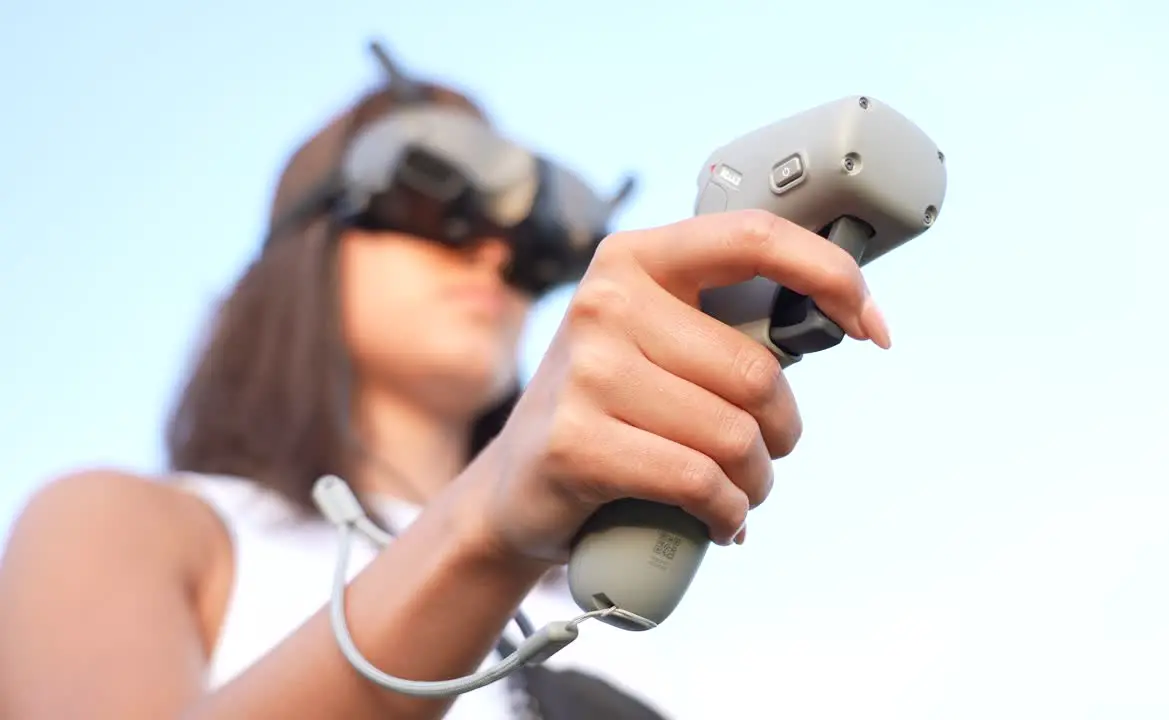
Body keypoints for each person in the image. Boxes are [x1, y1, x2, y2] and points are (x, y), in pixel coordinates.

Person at [0, 70, 891, 720]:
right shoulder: (137, 525)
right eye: (439, 206)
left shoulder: (593, 602)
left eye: (535, 242)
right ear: (304, 249)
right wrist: (487, 523)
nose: (494, 256)